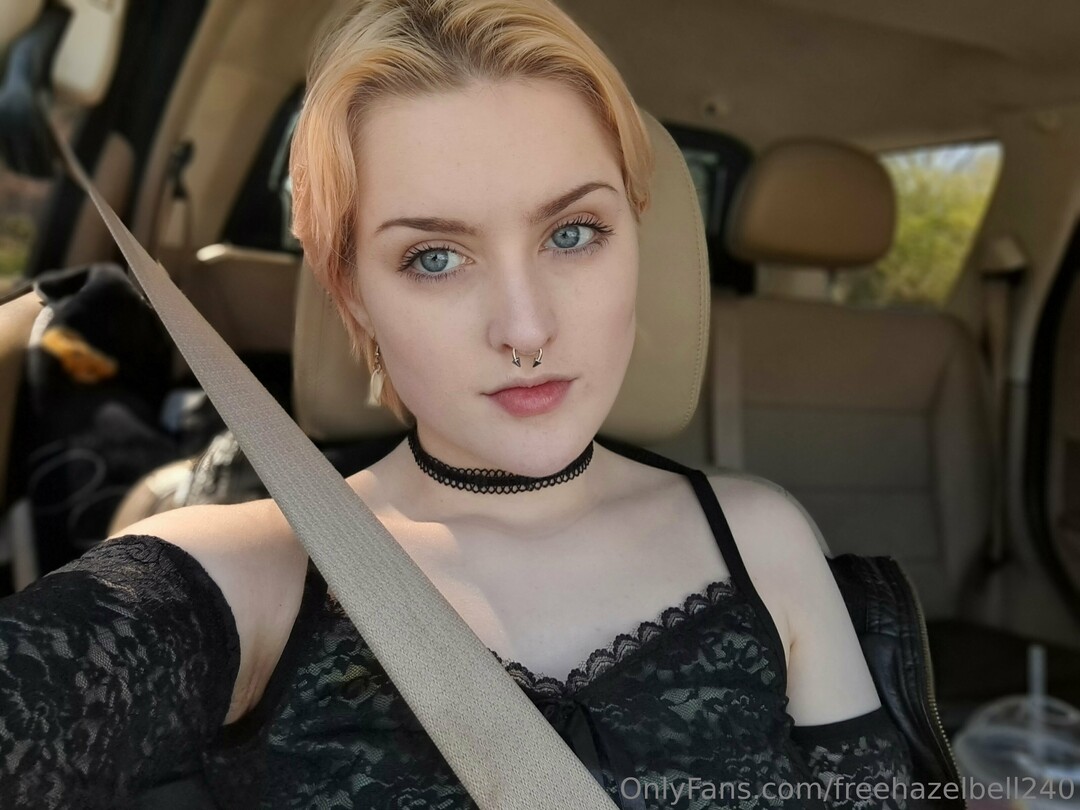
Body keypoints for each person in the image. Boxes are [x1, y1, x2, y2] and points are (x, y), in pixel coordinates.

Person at [0, 0, 917, 807]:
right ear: (354, 295)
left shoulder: (766, 541)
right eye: (434, 257)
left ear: (636, 240)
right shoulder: (256, 570)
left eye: (574, 233)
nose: (526, 327)